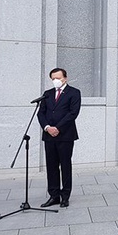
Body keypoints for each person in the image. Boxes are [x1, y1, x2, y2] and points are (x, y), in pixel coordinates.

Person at [37, 68, 82, 207]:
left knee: (65, 165)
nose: (56, 81)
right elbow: (41, 113)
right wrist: (47, 128)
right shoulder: (47, 94)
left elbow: (73, 113)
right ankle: (54, 195)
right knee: (51, 166)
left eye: (58, 78)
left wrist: (58, 128)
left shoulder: (74, 93)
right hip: (49, 135)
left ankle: (65, 195)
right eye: (53, 79)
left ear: (65, 78)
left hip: (65, 135)